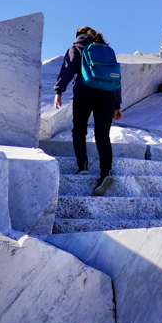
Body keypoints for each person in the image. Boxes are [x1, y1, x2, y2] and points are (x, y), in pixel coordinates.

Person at [53, 27, 123, 196]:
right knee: (102, 135)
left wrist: (58, 91)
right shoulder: (105, 50)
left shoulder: (76, 47)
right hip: (107, 95)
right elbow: (116, 76)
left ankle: (82, 166)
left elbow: (68, 69)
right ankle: (106, 172)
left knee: (79, 130)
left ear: (78, 36)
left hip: (84, 92)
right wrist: (117, 104)